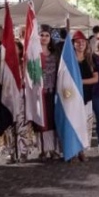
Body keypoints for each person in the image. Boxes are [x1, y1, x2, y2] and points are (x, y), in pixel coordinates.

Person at [71, 30, 99, 161]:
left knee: (85, 125)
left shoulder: (91, 59)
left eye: (83, 42)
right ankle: (73, 151)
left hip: (86, 97)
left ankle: (82, 150)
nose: (80, 44)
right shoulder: (68, 60)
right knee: (73, 124)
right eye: (77, 42)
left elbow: (95, 79)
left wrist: (79, 81)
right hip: (71, 97)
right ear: (73, 44)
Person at [36, 25, 60, 161]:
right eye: (42, 35)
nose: (44, 38)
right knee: (40, 122)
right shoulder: (33, 54)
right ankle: (43, 149)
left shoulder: (55, 55)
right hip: (38, 94)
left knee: (52, 121)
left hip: (52, 92)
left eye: (46, 36)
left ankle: (53, 149)